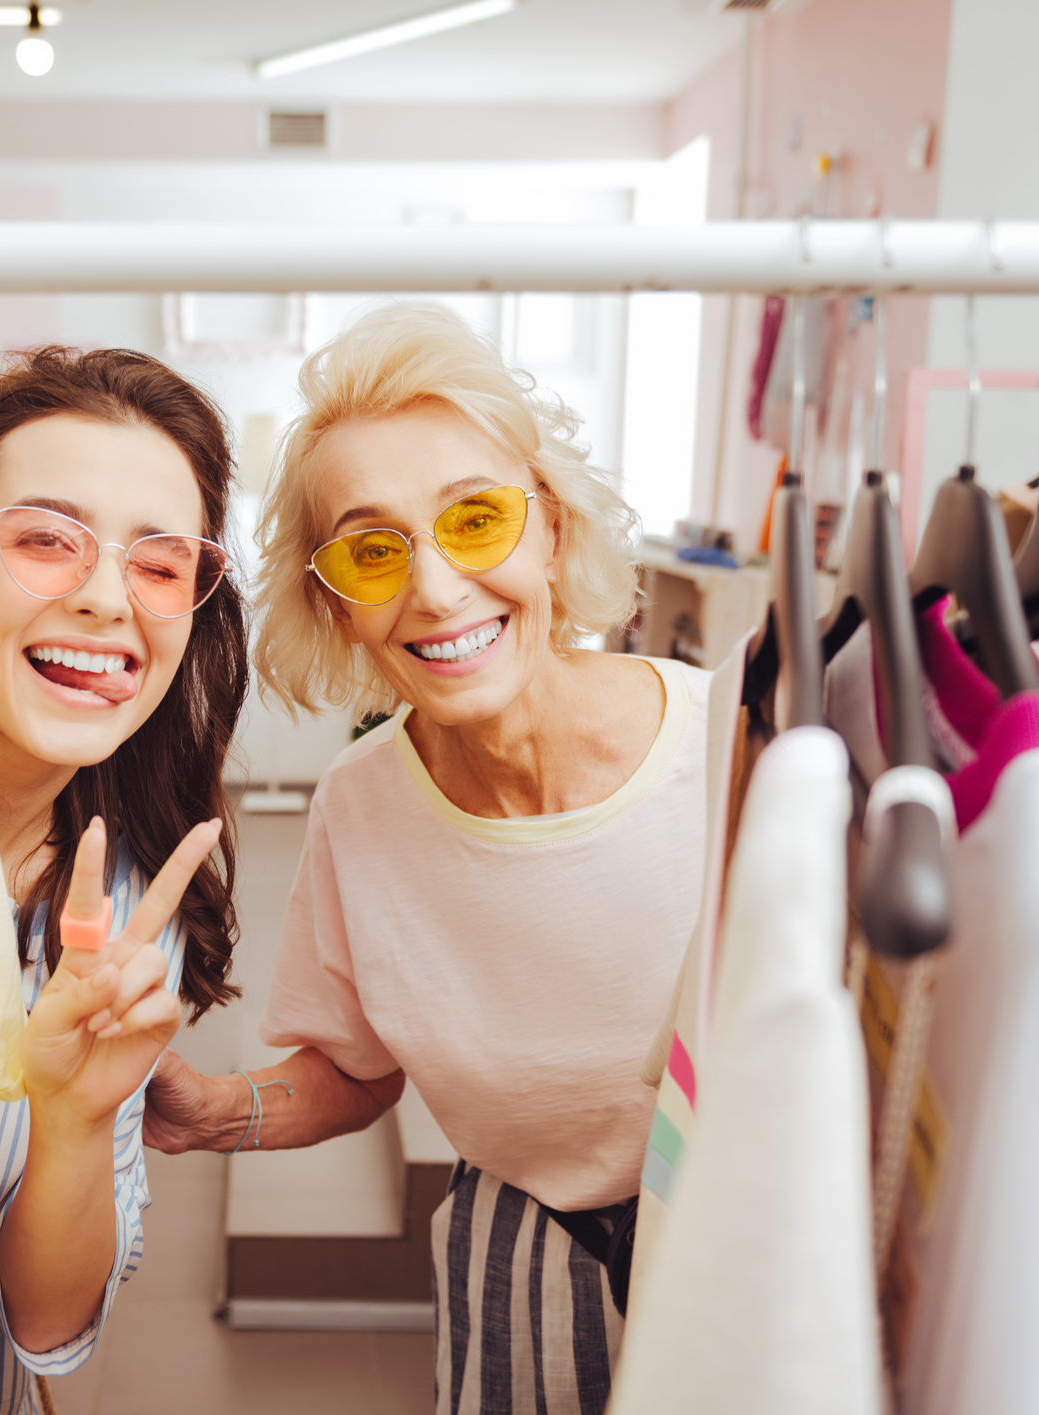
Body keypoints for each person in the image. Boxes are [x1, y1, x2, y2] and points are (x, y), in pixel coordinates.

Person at [144, 306, 713, 1413]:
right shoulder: (361, 811)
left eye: (478, 519)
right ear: (334, 603)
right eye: (372, 548)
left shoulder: (731, 748)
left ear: (548, 530)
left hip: (742, 1248)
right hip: (522, 1257)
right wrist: (202, 1110)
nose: (439, 589)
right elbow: (357, 1068)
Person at [0, 346, 247, 1412]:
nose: (106, 599)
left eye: (159, 563)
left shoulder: (127, 905)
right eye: (48, 540)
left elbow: (45, 1326)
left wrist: (77, 1117)